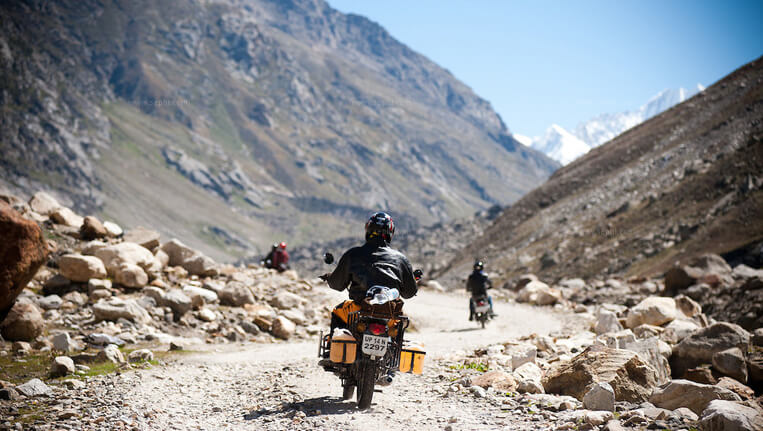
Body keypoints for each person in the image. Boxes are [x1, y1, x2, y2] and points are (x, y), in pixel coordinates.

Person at [321, 212, 418, 335]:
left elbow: (337, 285)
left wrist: (330, 278)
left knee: (337, 311)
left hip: (358, 311)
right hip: (389, 315)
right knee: (398, 323)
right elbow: (409, 293)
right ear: (391, 233)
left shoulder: (353, 254)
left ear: (368, 229)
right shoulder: (401, 259)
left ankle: (332, 349)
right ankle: (394, 352)